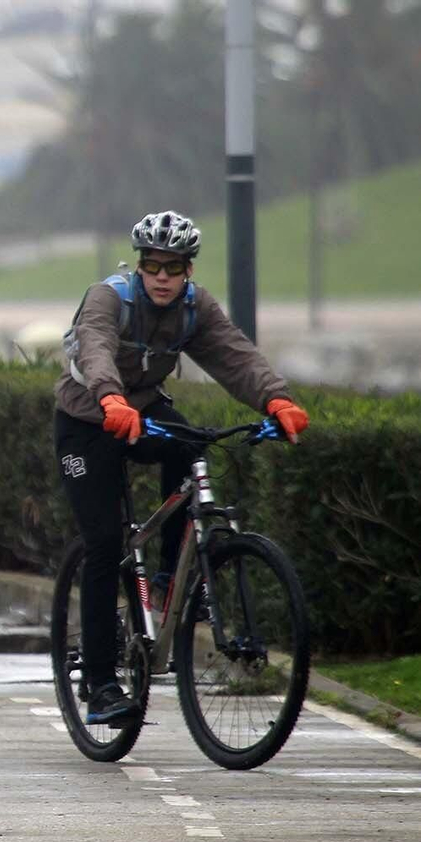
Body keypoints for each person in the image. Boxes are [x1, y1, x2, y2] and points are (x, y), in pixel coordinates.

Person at [54, 210, 310, 727]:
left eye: (174, 267)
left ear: (188, 270)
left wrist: (276, 400)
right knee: (104, 543)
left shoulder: (195, 308)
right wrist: (110, 397)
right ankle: (100, 685)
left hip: (143, 408)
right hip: (86, 420)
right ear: (140, 266)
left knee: (190, 449)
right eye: (153, 266)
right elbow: (95, 345)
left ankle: (171, 577)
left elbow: (235, 357)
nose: (163, 277)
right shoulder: (109, 298)